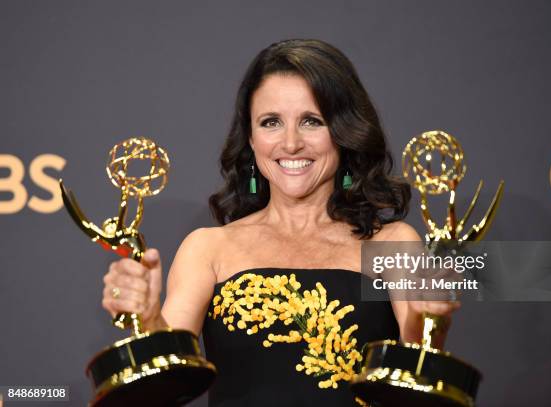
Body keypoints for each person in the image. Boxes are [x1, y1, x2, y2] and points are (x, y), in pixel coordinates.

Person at [102, 39, 460, 406]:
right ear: (251, 138)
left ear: (345, 132)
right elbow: (168, 376)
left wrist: (427, 321)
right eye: (271, 122)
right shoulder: (209, 248)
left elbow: (419, 376)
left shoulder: (392, 243)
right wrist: (146, 319)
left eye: (312, 121)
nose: (290, 144)